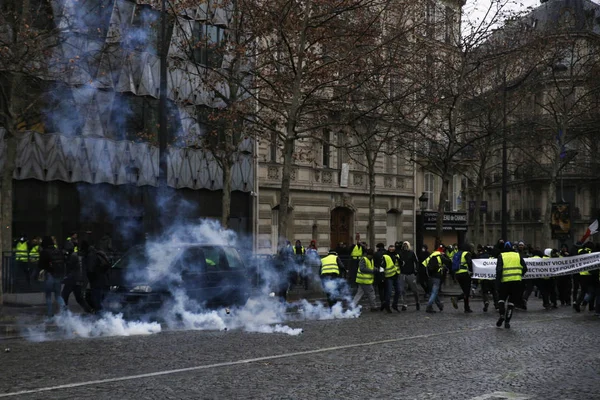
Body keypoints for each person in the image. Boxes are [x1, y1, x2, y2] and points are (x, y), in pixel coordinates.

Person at [495, 241, 528, 329]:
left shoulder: (501, 256)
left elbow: (499, 270)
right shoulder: (518, 255)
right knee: (511, 302)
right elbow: (525, 268)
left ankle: (502, 315)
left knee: (501, 300)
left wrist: (497, 282)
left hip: (504, 282)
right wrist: (519, 275)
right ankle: (507, 322)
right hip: (517, 282)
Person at [38, 236, 66, 319]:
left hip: (49, 275)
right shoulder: (58, 251)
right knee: (58, 295)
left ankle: (50, 314)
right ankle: (65, 312)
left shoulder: (44, 252)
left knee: (48, 296)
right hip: (58, 276)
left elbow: (40, 265)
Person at [61, 248, 93, 313]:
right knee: (79, 298)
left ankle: (64, 313)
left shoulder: (73, 256)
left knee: (64, 295)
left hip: (72, 279)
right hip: (79, 279)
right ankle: (90, 311)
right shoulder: (80, 257)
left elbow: (70, 267)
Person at [81, 240, 109, 311]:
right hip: (103, 278)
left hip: (96, 280)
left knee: (96, 298)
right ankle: (103, 314)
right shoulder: (97, 252)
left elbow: (90, 270)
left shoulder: (90, 255)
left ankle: (99, 315)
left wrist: (90, 279)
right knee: (100, 298)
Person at [450, 243, 474, 313]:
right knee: (467, 292)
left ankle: (466, 308)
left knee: (465, 292)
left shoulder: (458, 253)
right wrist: (471, 271)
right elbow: (469, 263)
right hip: (465, 274)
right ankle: (456, 298)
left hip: (458, 274)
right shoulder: (467, 253)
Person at [422, 248, 446, 313]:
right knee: (434, 292)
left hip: (429, 276)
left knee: (434, 292)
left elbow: (424, 264)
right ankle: (429, 306)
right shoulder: (440, 257)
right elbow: (448, 262)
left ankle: (440, 305)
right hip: (437, 277)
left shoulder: (431, 256)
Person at [399, 241, 420, 311]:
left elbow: (416, 262)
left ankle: (417, 302)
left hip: (410, 273)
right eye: (404, 245)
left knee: (414, 290)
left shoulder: (412, 253)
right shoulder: (400, 253)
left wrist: (416, 270)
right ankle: (404, 304)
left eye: (406, 245)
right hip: (402, 273)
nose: (405, 247)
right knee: (402, 290)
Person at [382, 244, 402, 313]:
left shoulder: (397, 255)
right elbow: (382, 266)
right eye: (390, 247)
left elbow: (401, 264)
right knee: (389, 292)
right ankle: (387, 306)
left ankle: (394, 305)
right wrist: (382, 277)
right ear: (388, 248)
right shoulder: (385, 256)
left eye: (393, 248)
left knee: (398, 291)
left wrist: (399, 260)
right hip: (388, 276)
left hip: (396, 275)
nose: (392, 249)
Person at [478, 245, 498, 312]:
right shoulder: (494, 259)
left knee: (484, 292)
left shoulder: (481, 258)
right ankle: (496, 304)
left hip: (484, 278)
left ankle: (486, 301)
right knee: (494, 292)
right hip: (493, 278)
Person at [373, 243, 387, 308]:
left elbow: (374, 264)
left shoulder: (376, 254)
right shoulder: (387, 253)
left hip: (379, 273)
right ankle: (386, 301)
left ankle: (382, 301)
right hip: (387, 273)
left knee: (380, 289)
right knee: (386, 288)